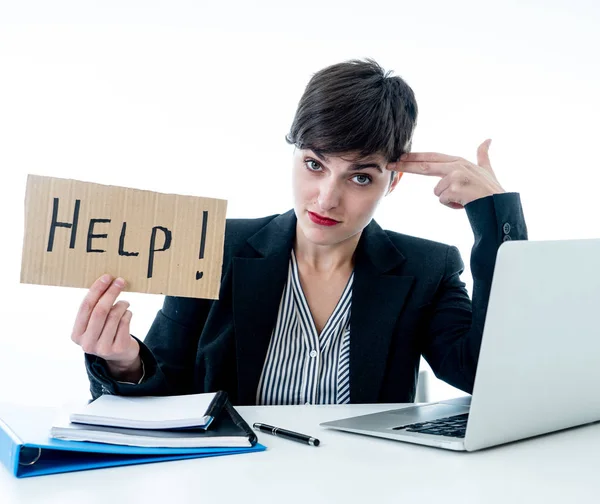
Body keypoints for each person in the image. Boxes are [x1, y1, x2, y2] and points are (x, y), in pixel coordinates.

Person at [73, 59, 527, 406]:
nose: (327, 198)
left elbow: (487, 375)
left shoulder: (427, 268)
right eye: (315, 165)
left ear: (394, 181)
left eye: (361, 177)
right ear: (294, 156)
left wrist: (495, 218)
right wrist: (125, 362)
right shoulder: (215, 248)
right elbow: (165, 392)